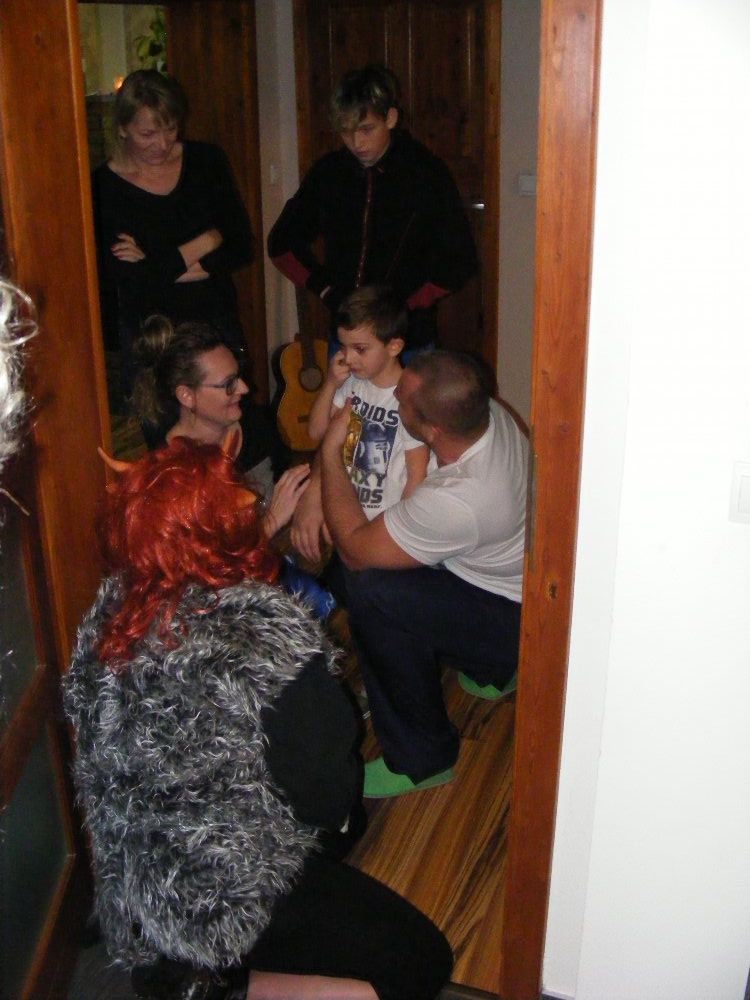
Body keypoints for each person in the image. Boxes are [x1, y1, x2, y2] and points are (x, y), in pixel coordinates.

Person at [63, 437, 453, 1000]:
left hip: (131, 878)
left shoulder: (108, 621)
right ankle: (220, 986)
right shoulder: (265, 644)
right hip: (223, 899)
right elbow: (325, 799)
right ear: (227, 533)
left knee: (344, 828)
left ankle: (173, 957)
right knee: (421, 961)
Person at [318, 350, 528, 799]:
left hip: (512, 621)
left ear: (433, 431)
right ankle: (491, 671)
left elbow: (355, 550)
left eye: (402, 399)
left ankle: (422, 759)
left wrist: (330, 456)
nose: (394, 393)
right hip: (513, 588)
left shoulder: (462, 499)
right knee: (374, 574)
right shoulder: (481, 412)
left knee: (367, 586)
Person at [267, 64, 477, 353]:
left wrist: (402, 306)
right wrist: (327, 290)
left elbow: (460, 259)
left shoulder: (425, 173)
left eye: (366, 129)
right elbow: (281, 244)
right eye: (346, 132)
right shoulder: (329, 173)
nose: (357, 143)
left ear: (390, 118)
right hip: (346, 339)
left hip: (407, 340)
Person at [92, 70, 253, 393]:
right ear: (122, 128)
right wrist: (207, 240)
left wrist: (153, 264)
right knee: (160, 421)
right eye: (147, 134)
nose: (162, 143)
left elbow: (241, 246)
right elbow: (129, 279)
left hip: (214, 322)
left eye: (171, 129)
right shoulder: (104, 187)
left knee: (229, 415)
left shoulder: (206, 161)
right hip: (152, 336)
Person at [131, 316, 289, 503]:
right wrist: (274, 519)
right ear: (186, 396)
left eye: (238, 375)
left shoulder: (257, 423)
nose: (244, 388)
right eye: (228, 384)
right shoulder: (170, 469)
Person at [308, 286, 428, 520]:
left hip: (383, 520)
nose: (348, 357)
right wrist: (330, 384)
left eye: (360, 349)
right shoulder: (352, 383)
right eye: (343, 346)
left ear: (394, 346)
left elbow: (417, 476)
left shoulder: (410, 400)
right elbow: (316, 432)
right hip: (344, 508)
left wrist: (398, 529)